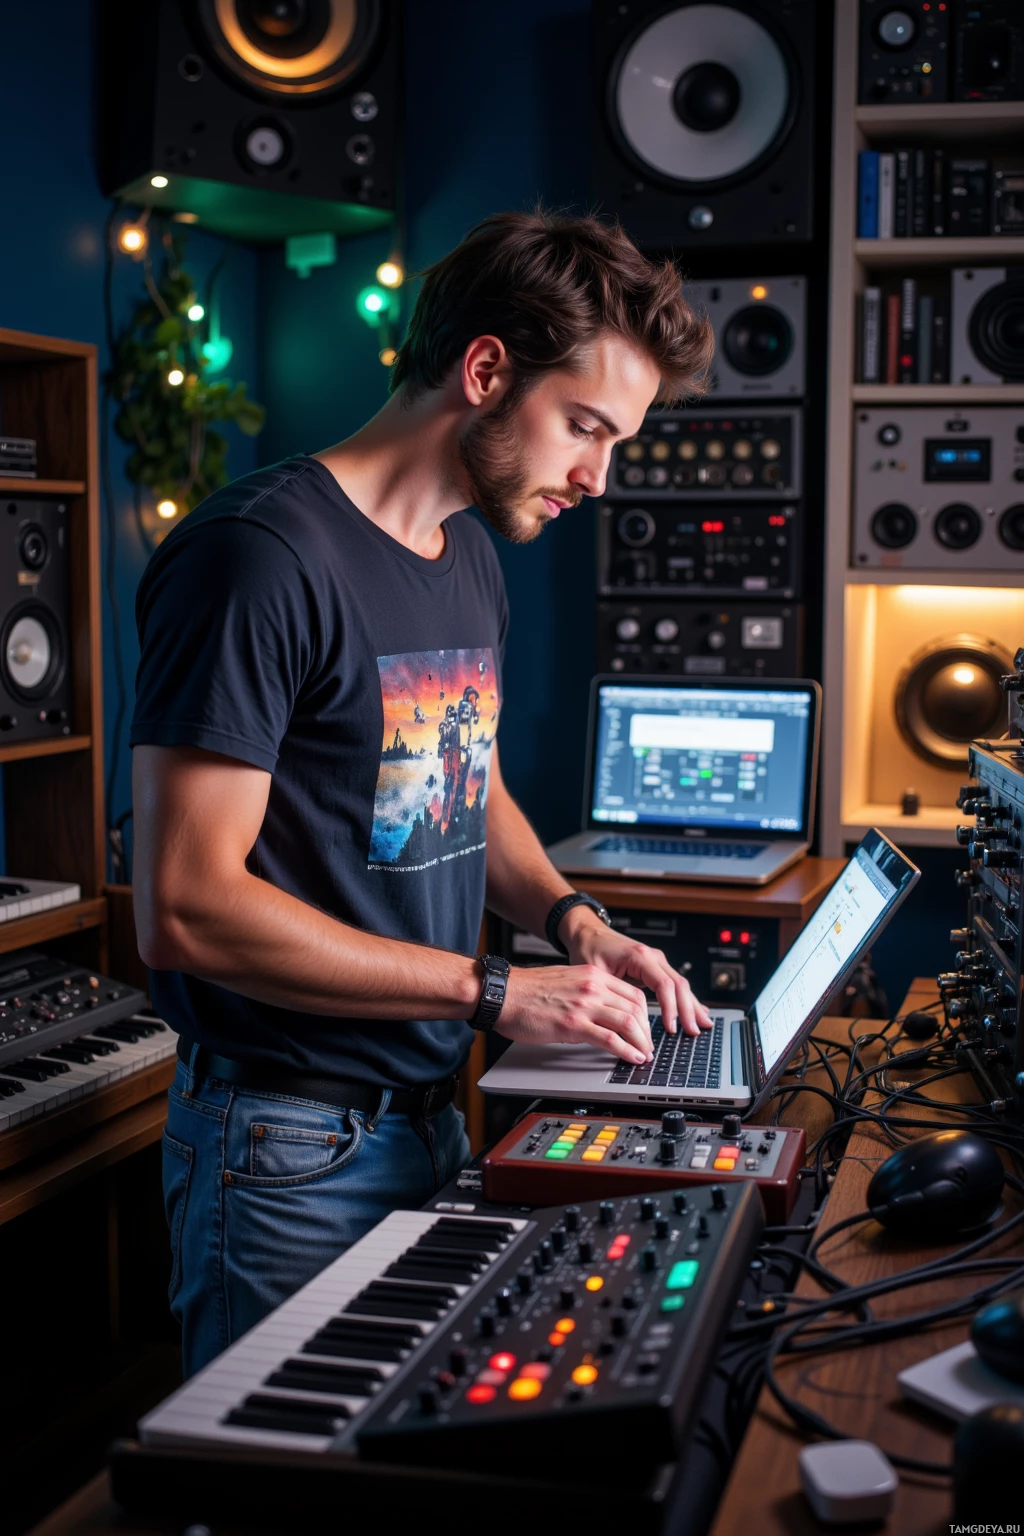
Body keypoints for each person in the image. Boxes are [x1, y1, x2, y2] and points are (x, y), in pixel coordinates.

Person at [130, 209, 716, 1376]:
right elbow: (186, 907)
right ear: (486, 370)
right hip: (284, 1147)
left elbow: (466, 791)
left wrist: (579, 929)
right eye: (584, 427)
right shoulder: (258, 557)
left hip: (423, 1118)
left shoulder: (467, 554)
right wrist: (497, 990)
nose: (596, 477)